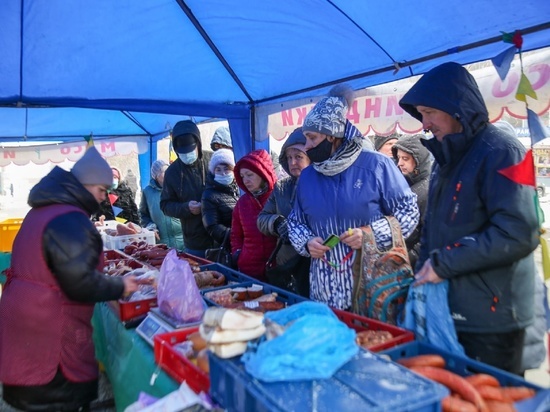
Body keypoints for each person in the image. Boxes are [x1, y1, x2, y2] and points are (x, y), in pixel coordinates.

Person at [400, 62, 539, 375]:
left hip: (492, 319)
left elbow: (519, 231)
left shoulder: (503, 151)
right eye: (420, 114)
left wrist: (443, 263)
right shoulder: (444, 160)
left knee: (490, 401)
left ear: (456, 108)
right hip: (450, 308)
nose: (424, 123)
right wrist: (420, 271)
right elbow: (434, 231)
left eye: (429, 112)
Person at [0, 146, 138, 411]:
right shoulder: (68, 219)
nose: (102, 199)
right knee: (55, 397)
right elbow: (80, 283)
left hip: (28, 316)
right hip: (49, 327)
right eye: (100, 191)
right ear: (86, 185)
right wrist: (121, 285)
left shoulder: (43, 210)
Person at [288, 84, 419, 309]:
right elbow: (295, 221)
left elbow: (409, 212)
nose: (307, 146)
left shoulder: (377, 165)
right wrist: (307, 242)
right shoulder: (308, 176)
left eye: (312, 137)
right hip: (323, 292)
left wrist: (370, 236)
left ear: (332, 135)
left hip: (369, 290)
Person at [258, 127, 312, 297]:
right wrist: (277, 223)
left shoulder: (322, 186)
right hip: (286, 263)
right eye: (289, 157)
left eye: (298, 157)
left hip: (312, 264)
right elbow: (262, 218)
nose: (292, 162)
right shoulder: (281, 187)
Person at [161, 120, 214, 258]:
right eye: (182, 152)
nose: (187, 155)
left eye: (191, 150)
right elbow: (165, 205)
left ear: (198, 144)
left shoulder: (213, 161)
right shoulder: (172, 172)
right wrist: (186, 208)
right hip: (194, 241)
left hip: (221, 236)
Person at [231, 149, 278, 281]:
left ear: (262, 174)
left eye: (249, 175)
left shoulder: (279, 197)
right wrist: (238, 253)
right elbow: (235, 234)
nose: (245, 180)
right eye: (242, 176)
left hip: (276, 271)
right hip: (248, 271)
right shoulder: (242, 203)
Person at [391, 134, 432, 268]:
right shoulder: (402, 185)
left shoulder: (427, 190)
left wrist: (407, 258)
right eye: (398, 158)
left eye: (405, 158)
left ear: (419, 159)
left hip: (413, 267)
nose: (400, 163)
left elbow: (429, 236)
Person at [139, 160, 184, 250]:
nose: (168, 174)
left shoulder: (180, 187)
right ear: (156, 176)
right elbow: (143, 214)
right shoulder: (148, 192)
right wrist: (150, 227)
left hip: (183, 242)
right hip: (161, 244)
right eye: (164, 172)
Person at [201, 148, 239, 247]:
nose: (223, 173)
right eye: (218, 170)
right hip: (227, 248)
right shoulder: (209, 195)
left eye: (226, 169)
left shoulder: (240, 189)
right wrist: (237, 237)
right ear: (213, 172)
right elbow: (212, 226)